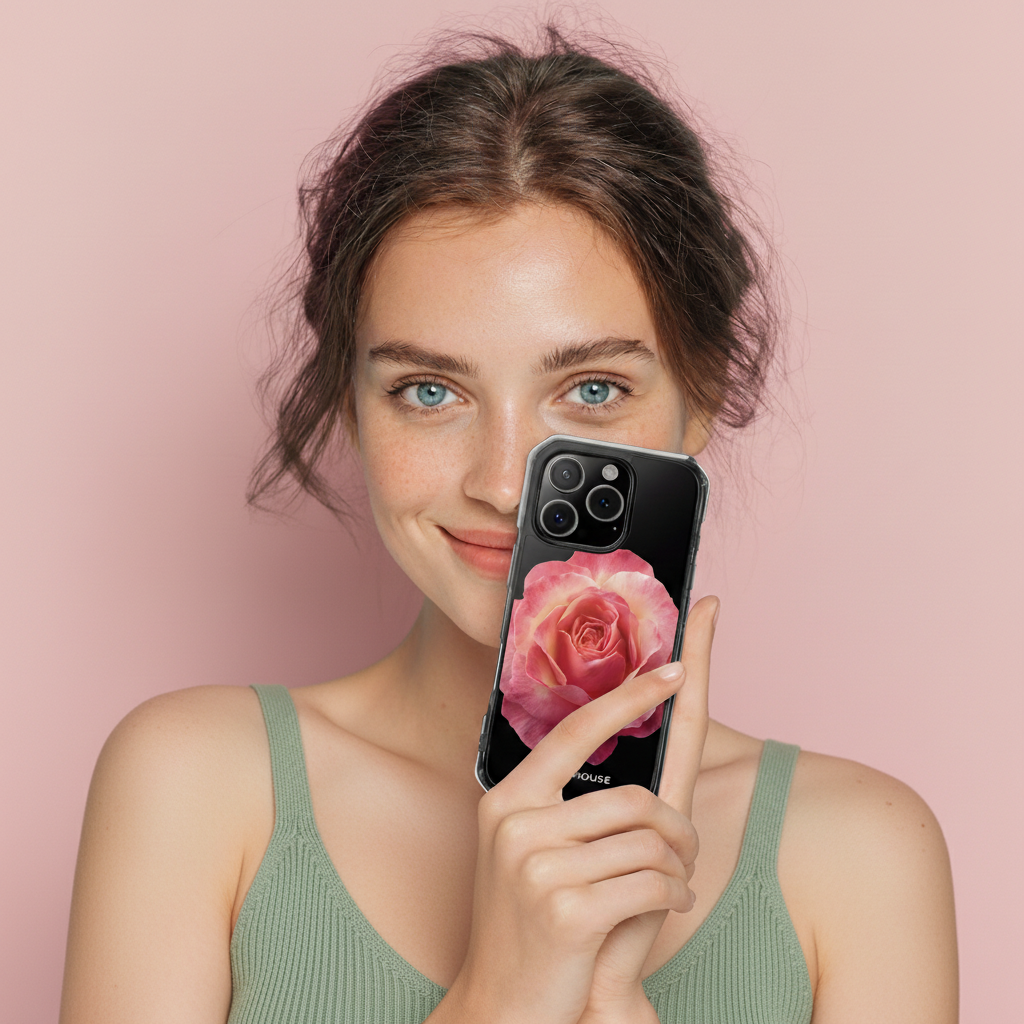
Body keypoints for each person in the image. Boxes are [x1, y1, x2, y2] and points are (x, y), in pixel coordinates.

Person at [59, 27, 958, 1024]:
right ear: (351, 405)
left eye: (592, 389)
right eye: (429, 390)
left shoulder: (858, 858)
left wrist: (610, 994)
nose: (502, 483)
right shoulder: (196, 787)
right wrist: (505, 993)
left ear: (700, 394)